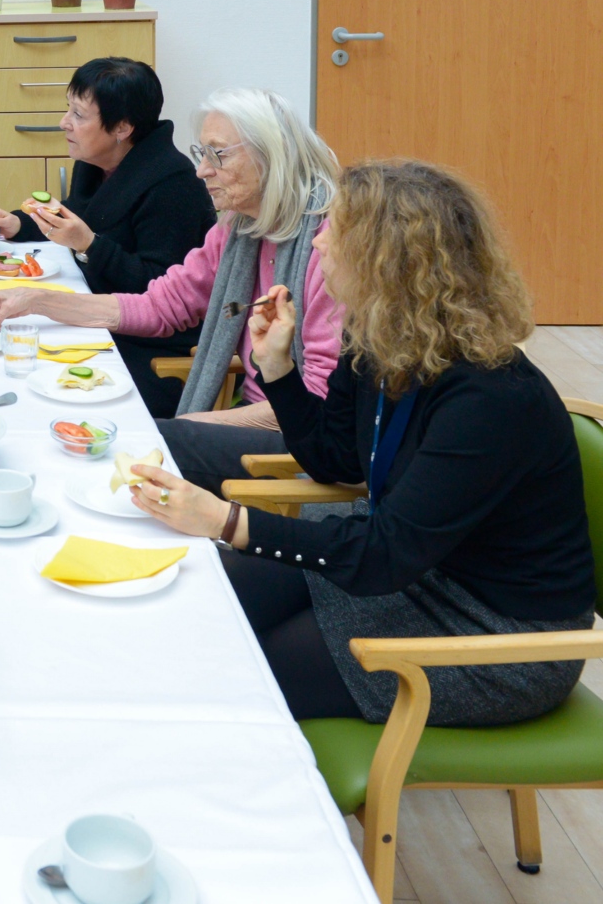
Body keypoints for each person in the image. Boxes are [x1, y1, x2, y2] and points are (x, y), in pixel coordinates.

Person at [122, 160, 595, 726]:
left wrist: (228, 522)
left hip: (496, 637)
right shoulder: (379, 338)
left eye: (335, 229)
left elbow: (384, 554)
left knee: (231, 672)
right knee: (197, 605)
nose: (318, 240)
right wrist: (278, 369)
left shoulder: (491, 400)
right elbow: (335, 457)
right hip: (413, 568)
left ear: (386, 257)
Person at [0, 88, 344, 492]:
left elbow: (316, 407)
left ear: (272, 156)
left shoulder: (327, 246)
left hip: (293, 440)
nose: (201, 170)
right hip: (249, 415)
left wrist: (184, 426)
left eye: (218, 155)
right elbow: (160, 305)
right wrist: (36, 301)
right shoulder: (239, 228)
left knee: (120, 443)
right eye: (202, 153)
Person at [0, 57, 214, 417]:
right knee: (6, 353)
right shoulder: (96, 159)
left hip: (149, 350)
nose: (64, 123)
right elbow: (78, 213)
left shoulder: (173, 184)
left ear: (122, 127)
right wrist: (19, 223)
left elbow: (159, 290)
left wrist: (90, 246)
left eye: (78, 114)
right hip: (98, 315)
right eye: (67, 109)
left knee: (25, 368)